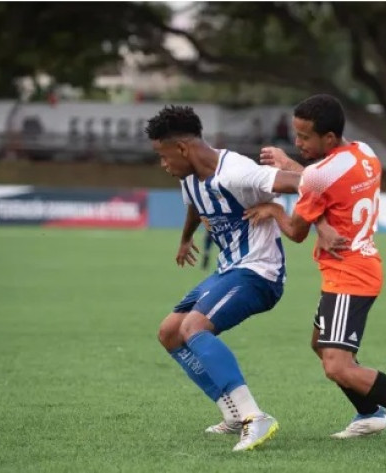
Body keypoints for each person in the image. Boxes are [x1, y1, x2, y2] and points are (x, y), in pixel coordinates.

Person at [244, 94, 386, 456]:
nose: (298, 142)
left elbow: (295, 230)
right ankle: (369, 413)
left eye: (305, 137)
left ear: (329, 139)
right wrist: (298, 169)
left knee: (337, 366)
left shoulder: (319, 175)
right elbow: (324, 183)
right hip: (361, 264)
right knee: (319, 344)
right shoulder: (365, 153)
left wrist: (275, 208)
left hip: (349, 274)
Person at [145, 105, 301, 452]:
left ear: (183, 148)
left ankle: (254, 416)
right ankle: (232, 414)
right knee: (170, 332)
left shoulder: (238, 171)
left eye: (162, 155)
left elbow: (301, 184)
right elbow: (195, 205)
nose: (162, 164)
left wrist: (278, 210)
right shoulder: (189, 177)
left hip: (260, 272)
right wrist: (186, 239)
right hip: (228, 270)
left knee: (194, 328)